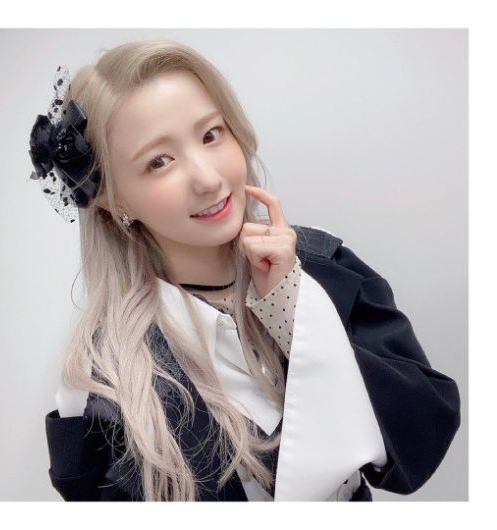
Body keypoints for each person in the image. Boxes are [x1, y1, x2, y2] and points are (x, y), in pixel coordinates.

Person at [29, 39, 461, 502]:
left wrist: (292, 310)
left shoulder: (325, 266)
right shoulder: (103, 377)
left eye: (211, 135)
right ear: (112, 200)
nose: (208, 178)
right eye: (159, 161)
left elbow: (420, 439)